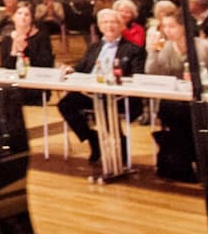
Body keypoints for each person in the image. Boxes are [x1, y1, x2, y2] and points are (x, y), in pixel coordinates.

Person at [146, 13, 208, 182]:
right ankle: (187, 163)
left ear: (185, 27)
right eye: (165, 27)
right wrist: (152, 52)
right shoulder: (165, 47)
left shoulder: (203, 46)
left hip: (200, 98)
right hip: (173, 100)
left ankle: (193, 163)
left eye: (172, 26)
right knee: (174, 112)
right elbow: (152, 73)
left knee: (188, 115)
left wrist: (207, 81)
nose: (167, 31)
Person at [58, 9, 146, 164]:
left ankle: (121, 147)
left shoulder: (134, 50)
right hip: (91, 92)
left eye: (113, 22)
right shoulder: (94, 47)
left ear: (120, 26)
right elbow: (82, 67)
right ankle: (93, 138)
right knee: (65, 104)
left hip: (118, 95)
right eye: (105, 22)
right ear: (100, 26)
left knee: (106, 105)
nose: (109, 26)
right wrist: (71, 69)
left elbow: (137, 77)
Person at [0, 4, 54, 70]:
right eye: (19, 13)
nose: (23, 17)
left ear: (31, 19)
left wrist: (26, 50)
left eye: (26, 15)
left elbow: (47, 63)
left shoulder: (41, 37)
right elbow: (5, 67)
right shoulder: (6, 40)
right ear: (13, 17)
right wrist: (14, 51)